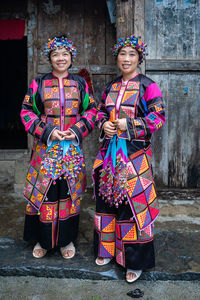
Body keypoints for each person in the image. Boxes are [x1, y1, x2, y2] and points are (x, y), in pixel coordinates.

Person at [93, 35, 165, 282]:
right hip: (109, 156)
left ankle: (134, 260)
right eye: (122, 54)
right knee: (107, 203)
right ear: (117, 58)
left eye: (132, 54)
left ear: (139, 58)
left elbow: (158, 118)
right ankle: (107, 249)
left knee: (132, 208)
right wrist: (104, 124)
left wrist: (129, 124)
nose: (126, 59)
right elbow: (99, 112)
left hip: (135, 157)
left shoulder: (148, 85)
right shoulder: (111, 87)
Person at [21, 36, 97, 259]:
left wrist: (76, 130)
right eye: (56, 54)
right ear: (50, 58)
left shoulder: (80, 84)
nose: (60, 58)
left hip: (71, 151)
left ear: (71, 57)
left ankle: (65, 241)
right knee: (45, 193)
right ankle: (43, 240)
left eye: (65, 54)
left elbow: (92, 111)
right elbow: (26, 112)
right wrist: (48, 131)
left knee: (67, 194)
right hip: (45, 151)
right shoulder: (39, 83)